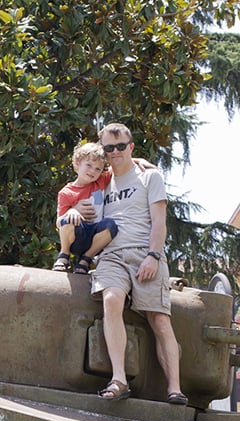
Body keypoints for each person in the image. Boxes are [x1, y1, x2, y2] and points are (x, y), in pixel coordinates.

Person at [85, 122, 186, 405]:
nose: (115, 152)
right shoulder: (100, 182)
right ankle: (119, 379)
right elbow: (77, 187)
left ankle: (175, 388)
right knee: (112, 298)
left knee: (159, 318)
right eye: (109, 148)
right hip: (112, 255)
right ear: (103, 151)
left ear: (130, 146)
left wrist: (153, 255)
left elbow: (159, 222)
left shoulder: (150, 177)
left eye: (120, 146)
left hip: (145, 252)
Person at [52, 142, 119, 275]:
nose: (92, 171)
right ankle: (64, 254)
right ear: (77, 163)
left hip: (95, 237)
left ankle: (86, 259)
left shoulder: (100, 181)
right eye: (88, 165)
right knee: (67, 220)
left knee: (110, 225)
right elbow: (59, 222)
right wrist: (72, 210)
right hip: (78, 236)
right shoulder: (66, 193)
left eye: (97, 169)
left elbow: (122, 164)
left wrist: (138, 161)